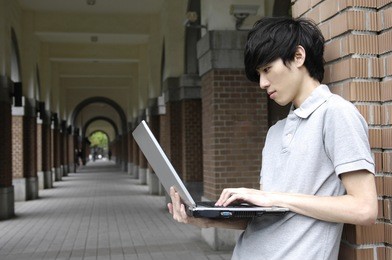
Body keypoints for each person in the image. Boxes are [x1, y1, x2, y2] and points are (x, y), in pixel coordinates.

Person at [167, 16, 378, 260]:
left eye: (267, 69)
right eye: (259, 74)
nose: (262, 83)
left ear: (298, 56)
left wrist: (271, 197)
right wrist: (205, 220)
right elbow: (270, 216)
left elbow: (365, 209)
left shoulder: (336, 114)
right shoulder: (275, 131)